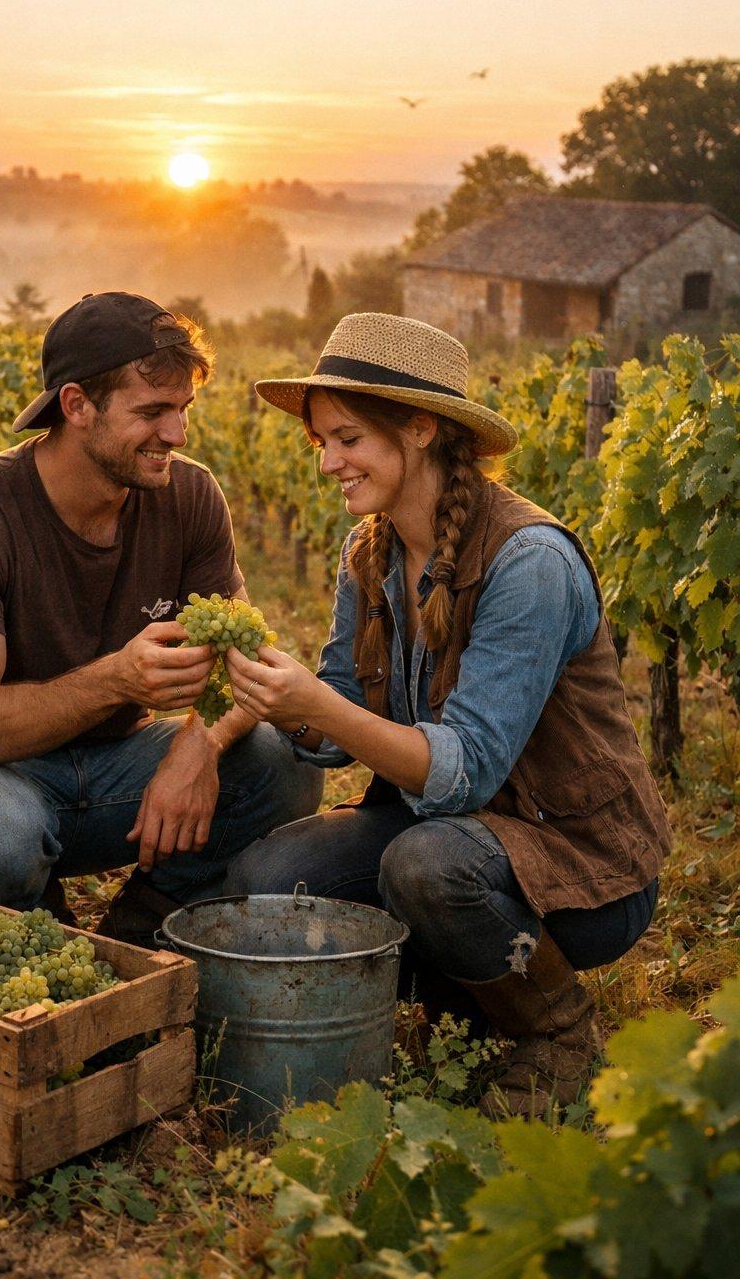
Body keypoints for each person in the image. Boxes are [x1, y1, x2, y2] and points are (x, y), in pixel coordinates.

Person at [222, 312, 672, 1117]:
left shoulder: (529, 563)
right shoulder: (370, 551)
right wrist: (278, 703)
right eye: (318, 441)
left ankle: (558, 1037)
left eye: (347, 438)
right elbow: (334, 721)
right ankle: (465, 1002)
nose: (327, 462)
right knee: (268, 880)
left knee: (426, 865)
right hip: (455, 835)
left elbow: (463, 772)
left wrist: (317, 703)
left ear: (422, 430)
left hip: (577, 863)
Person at [0, 291, 321, 944]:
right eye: (152, 412)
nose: (176, 434)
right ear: (76, 406)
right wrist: (119, 680)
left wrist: (199, 745)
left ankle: (144, 926)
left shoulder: (191, 495)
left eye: (182, 411)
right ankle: (43, 936)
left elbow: (246, 663)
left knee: (283, 764)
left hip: (117, 766)